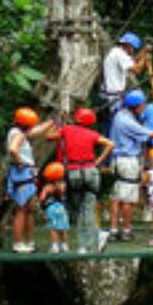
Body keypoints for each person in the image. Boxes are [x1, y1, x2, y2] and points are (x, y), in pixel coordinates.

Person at [45, 107, 111, 252]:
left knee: (78, 208)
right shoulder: (92, 133)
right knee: (87, 207)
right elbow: (110, 144)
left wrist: (56, 125)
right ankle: (88, 242)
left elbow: (49, 136)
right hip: (90, 171)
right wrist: (98, 161)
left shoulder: (66, 130)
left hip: (73, 172)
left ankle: (84, 242)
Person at [4, 106, 53, 253]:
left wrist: (52, 122)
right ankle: (18, 243)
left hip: (27, 173)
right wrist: (20, 162)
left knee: (29, 209)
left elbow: (36, 131)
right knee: (21, 209)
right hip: (22, 173)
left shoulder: (18, 132)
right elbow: (13, 149)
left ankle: (29, 242)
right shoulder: (18, 135)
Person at [107, 90, 151, 243]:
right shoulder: (128, 122)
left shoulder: (120, 115)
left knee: (116, 196)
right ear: (136, 106)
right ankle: (126, 230)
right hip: (128, 161)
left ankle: (113, 229)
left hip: (117, 159)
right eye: (143, 104)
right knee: (127, 199)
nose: (145, 106)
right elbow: (149, 135)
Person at [100, 32, 150, 121]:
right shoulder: (120, 54)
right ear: (129, 46)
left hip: (108, 93)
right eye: (133, 49)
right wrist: (144, 59)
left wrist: (143, 53)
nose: (133, 51)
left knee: (110, 122)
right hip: (114, 94)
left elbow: (132, 61)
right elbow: (136, 70)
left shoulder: (115, 52)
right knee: (117, 120)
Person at [38, 163, 69, 253]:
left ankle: (55, 245)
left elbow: (42, 198)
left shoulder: (47, 187)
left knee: (53, 228)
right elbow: (62, 193)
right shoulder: (63, 185)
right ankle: (64, 245)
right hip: (62, 208)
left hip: (51, 208)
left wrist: (42, 201)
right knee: (62, 227)